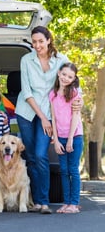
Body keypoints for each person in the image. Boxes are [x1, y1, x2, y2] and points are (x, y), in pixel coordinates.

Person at [15, 26, 81, 214]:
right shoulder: (26, 60)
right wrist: (42, 117)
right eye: (34, 42)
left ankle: (44, 201)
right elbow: (27, 91)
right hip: (27, 112)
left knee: (41, 154)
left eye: (40, 41)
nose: (37, 45)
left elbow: (75, 81)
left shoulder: (61, 60)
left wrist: (79, 102)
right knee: (32, 158)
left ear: (48, 40)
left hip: (49, 114)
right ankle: (38, 200)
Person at [49, 62, 83, 214]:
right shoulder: (53, 94)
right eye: (64, 74)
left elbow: (75, 117)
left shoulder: (74, 93)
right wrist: (55, 140)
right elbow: (54, 119)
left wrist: (70, 140)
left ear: (74, 78)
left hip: (74, 137)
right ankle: (66, 202)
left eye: (70, 76)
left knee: (73, 170)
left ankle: (74, 204)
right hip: (60, 138)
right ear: (58, 73)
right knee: (63, 171)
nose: (66, 78)